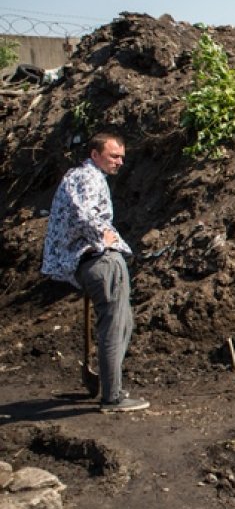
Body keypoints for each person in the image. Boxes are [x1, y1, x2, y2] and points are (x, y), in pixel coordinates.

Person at [41, 131, 149, 413]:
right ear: (95, 155)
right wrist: (103, 237)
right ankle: (112, 396)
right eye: (114, 156)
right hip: (100, 260)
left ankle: (109, 387)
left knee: (118, 323)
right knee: (115, 326)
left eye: (122, 157)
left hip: (87, 260)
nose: (120, 162)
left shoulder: (79, 176)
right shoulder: (88, 177)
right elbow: (85, 213)